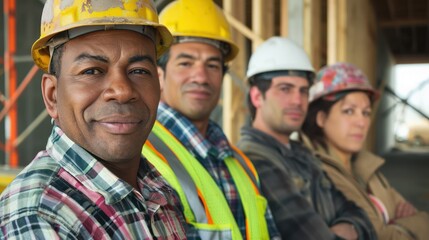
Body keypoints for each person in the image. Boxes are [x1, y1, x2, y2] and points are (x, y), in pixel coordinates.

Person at [0, 0, 188, 239]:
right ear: (52, 96)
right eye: (91, 71)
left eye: (139, 71)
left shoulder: (159, 192)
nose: (122, 90)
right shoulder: (39, 215)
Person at [141, 0, 280, 239]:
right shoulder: (140, 155)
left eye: (212, 65)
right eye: (186, 63)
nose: (201, 76)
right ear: (159, 75)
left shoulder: (242, 165)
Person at [237, 37, 376, 240]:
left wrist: (350, 227)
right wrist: (349, 229)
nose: (298, 100)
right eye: (285, 89)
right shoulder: (254, 160)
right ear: (257, 96)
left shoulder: (302, 153)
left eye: (303, 91)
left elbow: (361, 217)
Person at [301, 62, 429, 240]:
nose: (361, 122)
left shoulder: (366, 166)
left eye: (366, 112)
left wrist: (407, 223)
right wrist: (416, 222)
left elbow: (411, 216)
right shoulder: (320, 173)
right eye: (349, 111)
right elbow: (380, 236)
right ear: (321, 118)